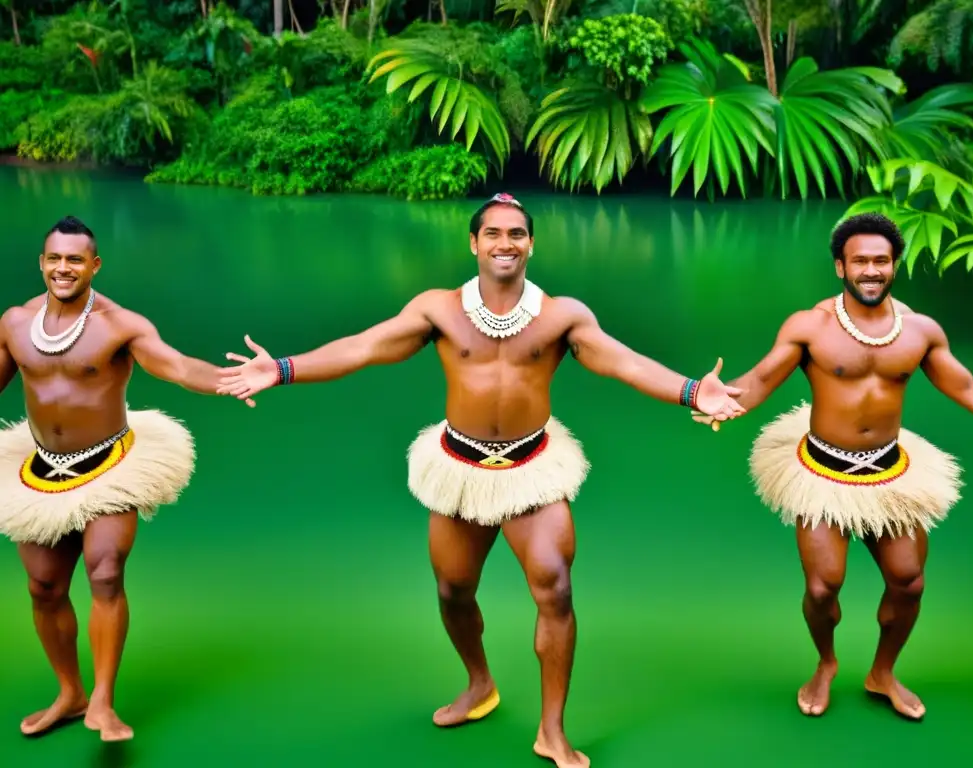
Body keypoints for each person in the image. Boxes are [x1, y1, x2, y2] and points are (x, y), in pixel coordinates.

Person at [216, 192, 745, 768]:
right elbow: (363, 347)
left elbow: (623, 361)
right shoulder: (438, 310)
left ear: (531, 244)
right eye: (493, 233)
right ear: (473, 243)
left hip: (532, 469)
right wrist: (283, 368)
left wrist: (695, 390)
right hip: (460, 467)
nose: (505, 243)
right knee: (453, 590)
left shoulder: (562, 315)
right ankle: (478, 684)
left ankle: (552, 730)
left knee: (556, 586)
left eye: (516, 234)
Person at [691, 212, 973, 721]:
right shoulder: (809, 326)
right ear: (840, 267)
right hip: (823, 470)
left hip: (890, 470)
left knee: (909, 579)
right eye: (861, 261)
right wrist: (720, 397)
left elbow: (971, 389)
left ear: (895, 266)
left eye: (882, 261)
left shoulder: (921, 332)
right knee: (824, 586)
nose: (872, 270)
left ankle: (882, 672)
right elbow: (760, 379)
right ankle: (825, 663)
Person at [0, 216, 246, 742]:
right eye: (54, 258)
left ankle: (104, 704)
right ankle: (70, 693)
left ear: (94, 265)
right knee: (44, 586)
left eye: (74, 260)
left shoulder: (120, 324)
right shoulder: (16, 322)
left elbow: (178, 366)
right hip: (40, 467)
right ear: (42, 263)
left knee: (106, 571)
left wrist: (230, 379)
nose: (63, 268)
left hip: (109, 464)